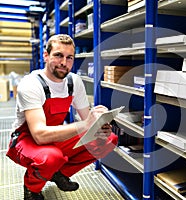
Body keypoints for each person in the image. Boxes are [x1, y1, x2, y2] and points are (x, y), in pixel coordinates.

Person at [6, 34, 118, 200]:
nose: (64, 63)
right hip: (26, 140)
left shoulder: (74, 82)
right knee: (51, 157)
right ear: (46, 55)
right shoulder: (31, 84)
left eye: (69, 57)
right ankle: (32, 188)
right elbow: (39, 135)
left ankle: (59, 174)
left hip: (54, 136)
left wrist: (98, 125)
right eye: (58, 55)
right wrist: (87, 124)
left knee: (108, 140)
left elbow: (87, 119)